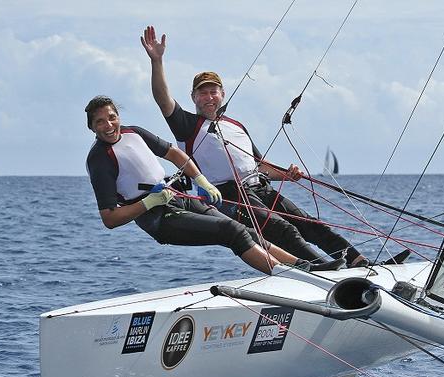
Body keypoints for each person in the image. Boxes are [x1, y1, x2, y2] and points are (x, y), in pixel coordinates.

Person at [139, 25, 407, 268]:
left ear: (222, 94)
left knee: (310, 224)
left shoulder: (236, 125)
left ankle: (361, 263)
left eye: (214, 91)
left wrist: (287, 174)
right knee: (282, 230)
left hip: (260, 187)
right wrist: (157, 61)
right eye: (203, 93)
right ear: (194, 97)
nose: (209, 97)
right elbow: (163, 100)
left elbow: (259, 165)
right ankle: (326, 270)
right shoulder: (188, 124)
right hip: (230, 194)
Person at [84, 95, 344, 275]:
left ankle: (304, 267)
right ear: (92, 128)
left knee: (245, 231)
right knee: (231, 231)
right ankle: (289, 274)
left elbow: (175, 154)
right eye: (100, 122)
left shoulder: (134, 132)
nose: (109, 125)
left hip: (176, 196)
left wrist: (201, 180)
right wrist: (148, 202)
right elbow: (110, 218)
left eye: (112, 117)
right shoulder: (99, 160)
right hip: (158, 218)